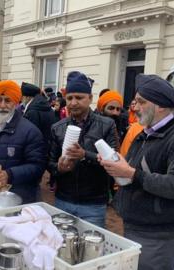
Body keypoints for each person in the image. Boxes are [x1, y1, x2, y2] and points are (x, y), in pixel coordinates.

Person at [100, 74, 174, 270]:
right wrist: (117, 165)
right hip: (135, 225)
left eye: (141, 102)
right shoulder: (145, 132)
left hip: (157, 234)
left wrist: (131, 173)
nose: (134, 107)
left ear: (160, 105)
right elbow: (134, 170)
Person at [48, 71, 119, 228]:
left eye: (79, 98)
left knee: (90, 250)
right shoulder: (58, 128)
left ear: (90, 98)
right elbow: (50, 162)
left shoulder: (106, 125)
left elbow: (114, 161)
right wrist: (58, 168)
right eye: (70, 98)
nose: (73, 103)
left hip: (93, 203)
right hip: (64, 200)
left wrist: (85, 155)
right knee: (62, 247)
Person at [21, 82, 57, 148]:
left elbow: (30, 135)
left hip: (36, 149)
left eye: (22, 97)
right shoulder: (45, 106)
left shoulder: (32, 111)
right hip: (47, 147)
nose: (21, 100)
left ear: (27, 97)